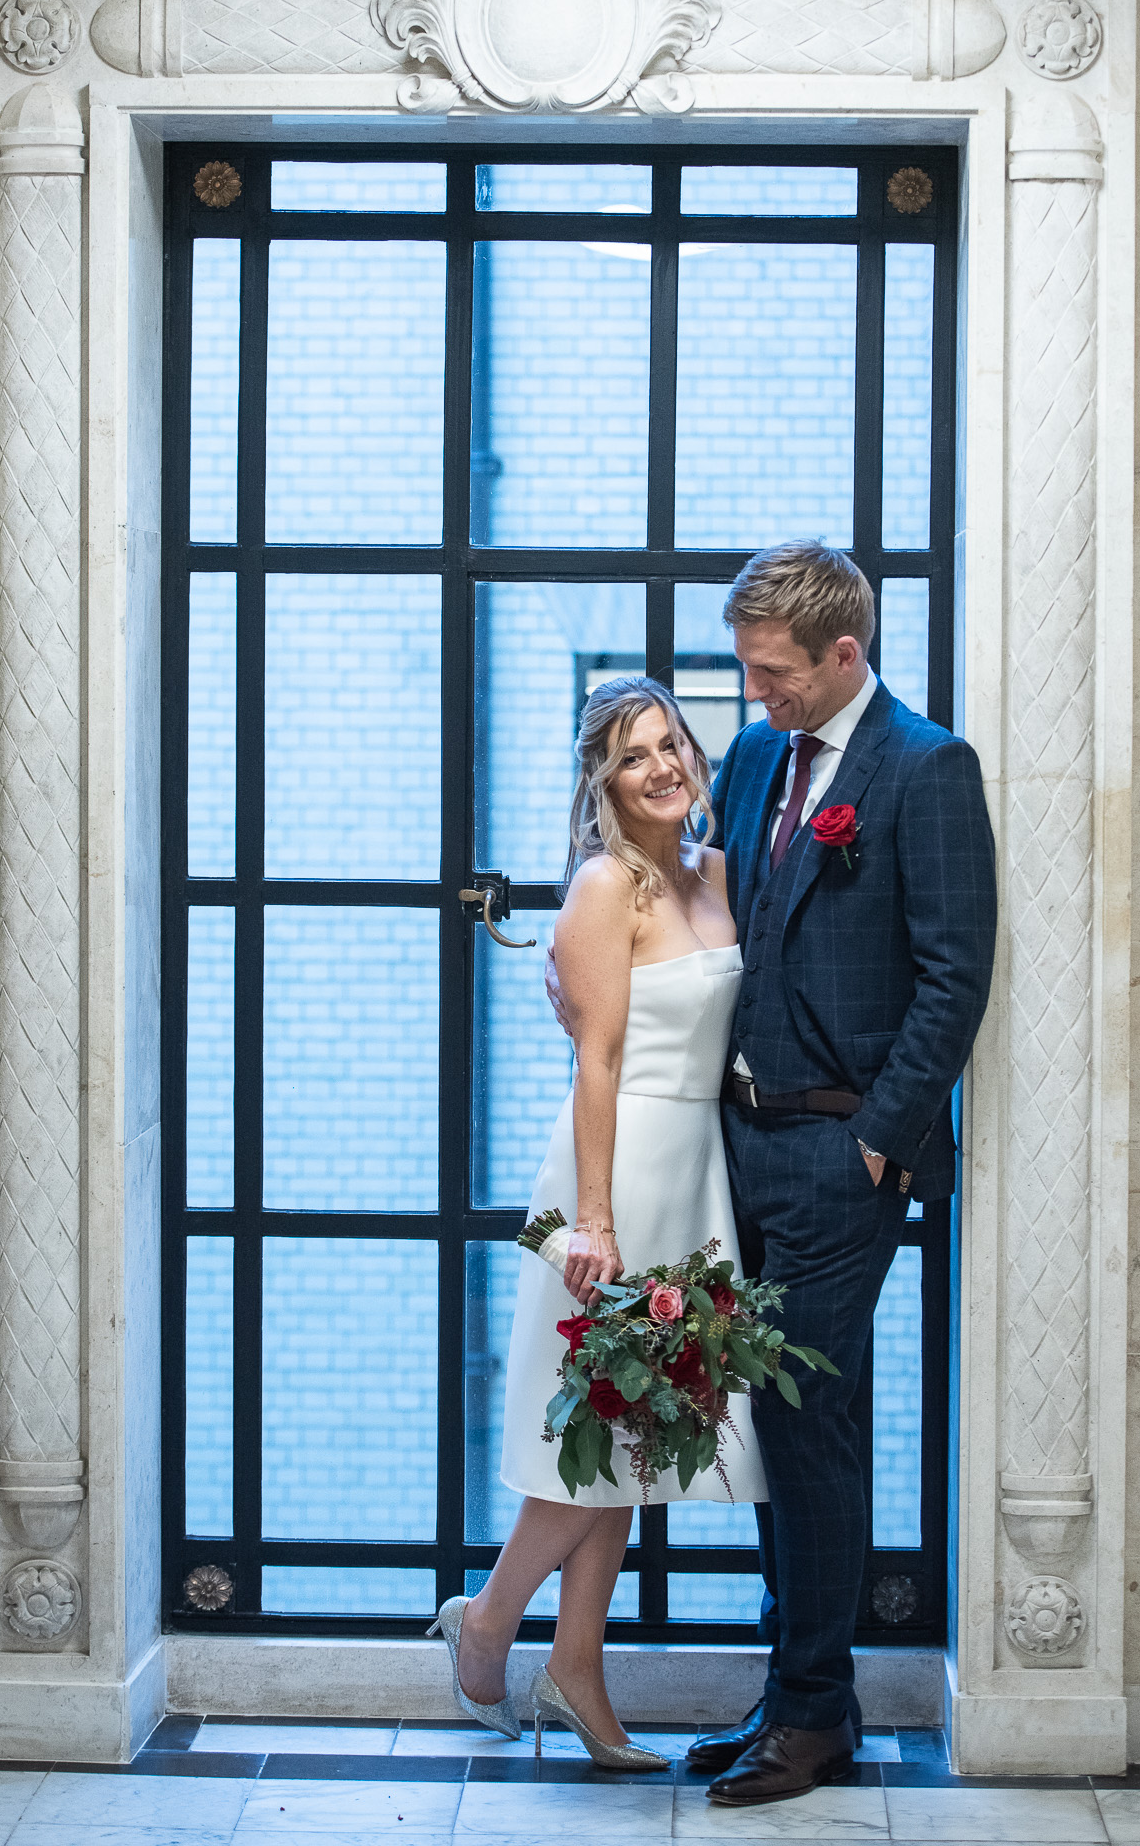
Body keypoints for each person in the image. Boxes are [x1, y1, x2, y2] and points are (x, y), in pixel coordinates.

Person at [551, 541, 995, 1807]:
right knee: (761, 1424)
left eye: (775, 673)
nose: (754, 699)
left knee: (813, 1424)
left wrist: (879, 1139)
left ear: (845, 654)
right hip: (726, 1150)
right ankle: (794, 1695)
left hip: (842, 1152)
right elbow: (678, 907)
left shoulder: (927, 769)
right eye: (747, 673)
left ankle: (816, 1712)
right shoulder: (751, 761)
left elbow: (956, 974)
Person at [426, 676, 767, 1769]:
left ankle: (575, 1667)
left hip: (697, 1174)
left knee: (634, 1436)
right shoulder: (601, 887)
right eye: (635, 754)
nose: (663, 765)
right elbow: (598, 1062)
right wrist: (599, 1223)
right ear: (603, 779)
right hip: (611, 1181)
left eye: (672, 743)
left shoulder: (714, 874)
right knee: (595, 1431)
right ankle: (487, 1619)